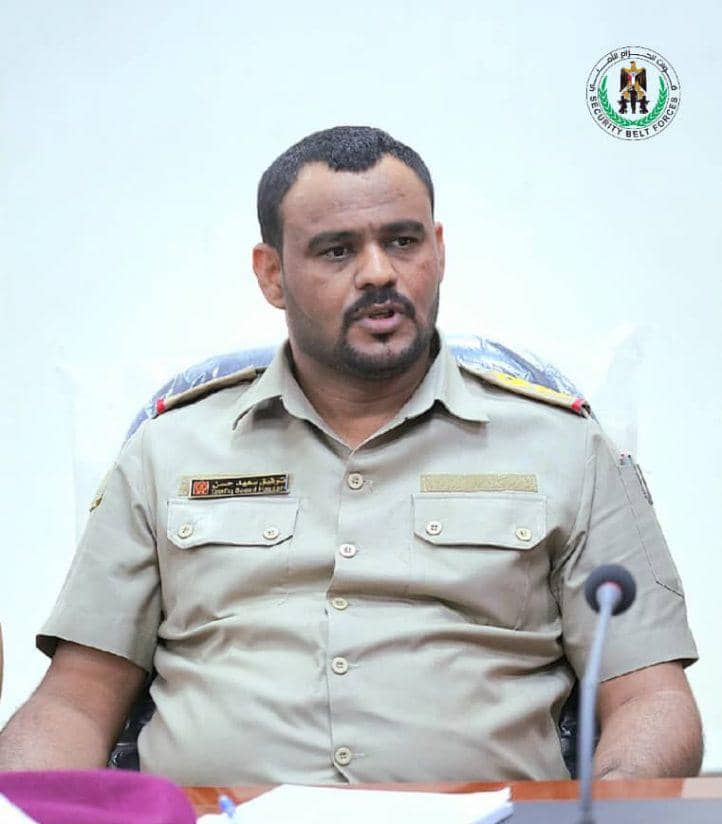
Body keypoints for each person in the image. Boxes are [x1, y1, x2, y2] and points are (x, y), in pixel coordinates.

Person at [0, 126, 702, 784]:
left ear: (439, 250)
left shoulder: (565, 447)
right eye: (336, 251)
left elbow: (650, 697)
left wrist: (610, 806)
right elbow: (74, 703)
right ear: (271, 274)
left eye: (403, 241)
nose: (378, 273)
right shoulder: (169, 450)